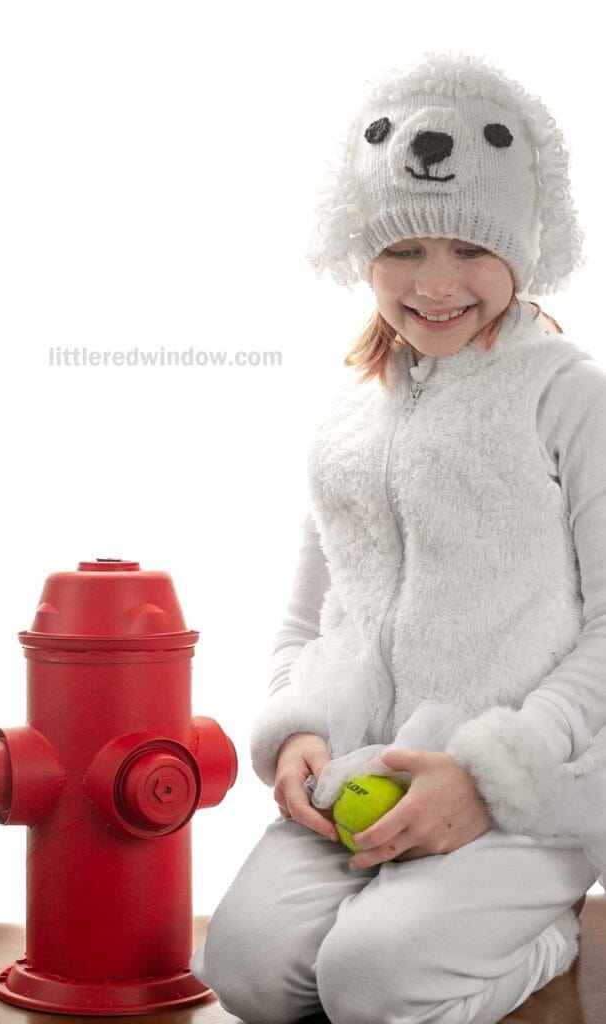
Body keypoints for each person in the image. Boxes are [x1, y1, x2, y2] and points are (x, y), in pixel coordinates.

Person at [189, 50, 606, 1024]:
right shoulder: (349, 417)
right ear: (361, 249)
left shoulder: (568, 397)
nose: (435, 283)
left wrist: (490, 775)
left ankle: (545, 931)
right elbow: (309, 617)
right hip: (360, 779)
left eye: (470, 248)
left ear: (525, 247)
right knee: (244, 973)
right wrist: (297, 729)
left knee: (367, 986)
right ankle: (398, 911)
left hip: (516, 795)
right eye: (404, 248)